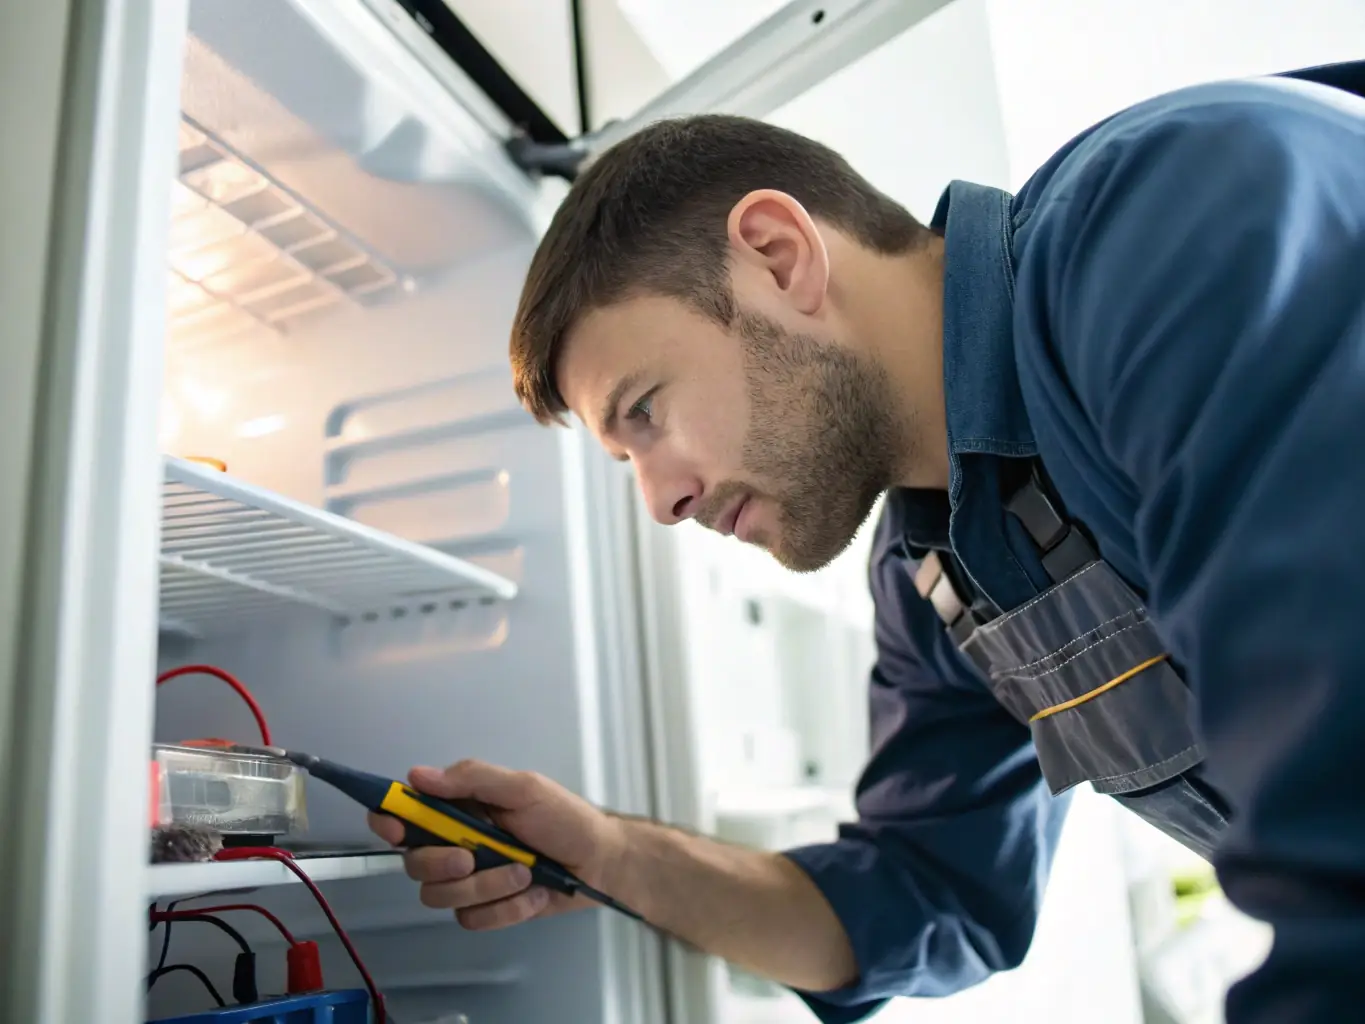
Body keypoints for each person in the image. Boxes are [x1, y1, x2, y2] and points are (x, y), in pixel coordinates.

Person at [369, 61, 1365, 1023]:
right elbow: (926, 890)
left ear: (776, 254)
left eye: (647, 413)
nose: (660, 501)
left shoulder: (1164, 223)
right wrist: (611, 854)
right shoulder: (938, 568)